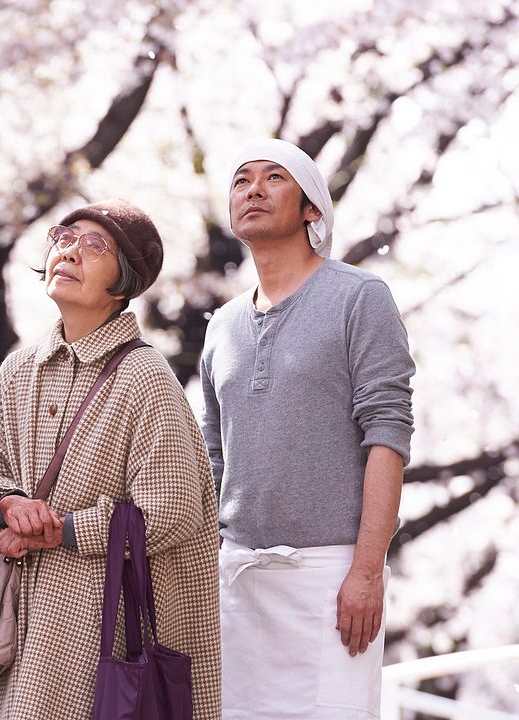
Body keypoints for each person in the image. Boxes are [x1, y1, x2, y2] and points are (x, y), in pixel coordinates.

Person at [0, 200, 221, 720]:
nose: (70, 251)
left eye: (95, 245)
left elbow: (171, 510)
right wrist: (6, 506)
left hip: (105, 633)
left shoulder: (145, 376)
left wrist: (60, 529)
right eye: (64, 237)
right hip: (22, 630)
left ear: (123, 283)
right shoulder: (17, 372)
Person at [200, 139, 415, 718]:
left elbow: (388, 434)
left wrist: (367, 571)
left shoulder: (359, 297)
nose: (254, 190)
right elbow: (214, 456)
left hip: (333, 576)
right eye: (242, 180)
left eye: (275, 179)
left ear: (311, 209)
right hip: (237, 580)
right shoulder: (221, 325)